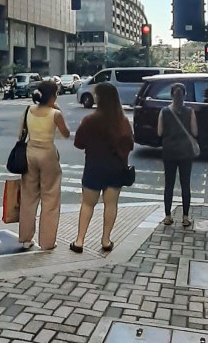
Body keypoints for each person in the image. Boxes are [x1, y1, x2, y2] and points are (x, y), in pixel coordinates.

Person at [70, 82, 133, 254]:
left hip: (94, 167)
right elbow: (129, 144)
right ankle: (106, 240)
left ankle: (79, 240)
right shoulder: (122, 121)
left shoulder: (90, 120)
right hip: (115, 168)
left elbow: (79, 143)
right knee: (111, 204)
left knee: (88, 204)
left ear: (101, 98)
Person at [18, 79, 70, 251]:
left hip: (30, 153)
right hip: (48, 154)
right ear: (52, 96)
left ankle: (26, 238)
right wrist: (59, 110)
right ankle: (47, 242)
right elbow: (66, 134)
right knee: (50, 197)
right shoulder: (55, 114)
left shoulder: (28, 110)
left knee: (28, 196)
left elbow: (21, 134)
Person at [157, 83, 198, 228]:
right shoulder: (190, 111)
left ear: (171, 95)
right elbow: (194, 132)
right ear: (184, 95)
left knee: (169, 184)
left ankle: (168, 216)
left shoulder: (164, 111)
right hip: (185, 152)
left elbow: (160, 132)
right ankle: (185, 217)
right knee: (185, 184)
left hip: (169, 151)